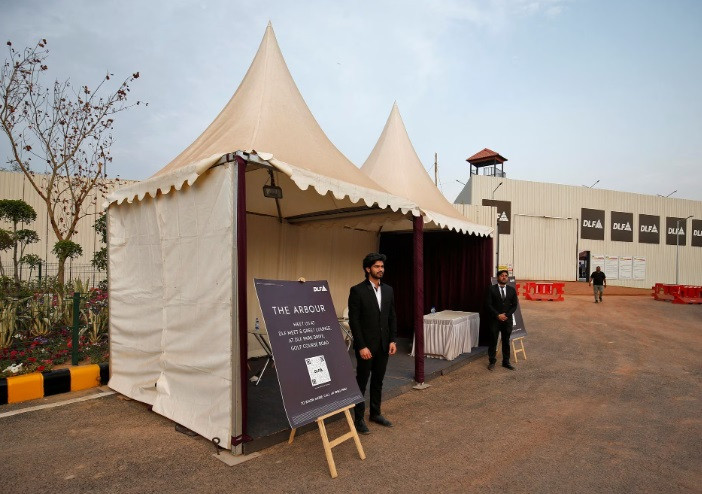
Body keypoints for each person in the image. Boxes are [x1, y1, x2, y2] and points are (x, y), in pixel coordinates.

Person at [348, 252, 397, 434]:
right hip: (366, 347)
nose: (380, 269)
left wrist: (392, 339)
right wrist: (361, 346)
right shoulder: (357, 290)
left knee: (378, 381)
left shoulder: (389, 290)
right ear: (368, 269)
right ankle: (359, 419)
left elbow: (392, 316)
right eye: (377, 266)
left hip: (384, 345)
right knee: (361, 382)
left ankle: (375, 413)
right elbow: (355, 321)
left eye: (382, 267)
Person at [485, 270, 519, 371]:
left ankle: (506, 362)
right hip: (494, 320)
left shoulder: (512, 290)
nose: (504, 277)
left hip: (507, 320)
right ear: (498, 277)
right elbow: (488, 304)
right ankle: (492, 361)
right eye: (502, 276)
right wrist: (497, 315)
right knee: (493, 341)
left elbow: (514, 305)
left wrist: (506, 315)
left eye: (506, 276)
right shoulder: (491, 289)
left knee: (506, 341)